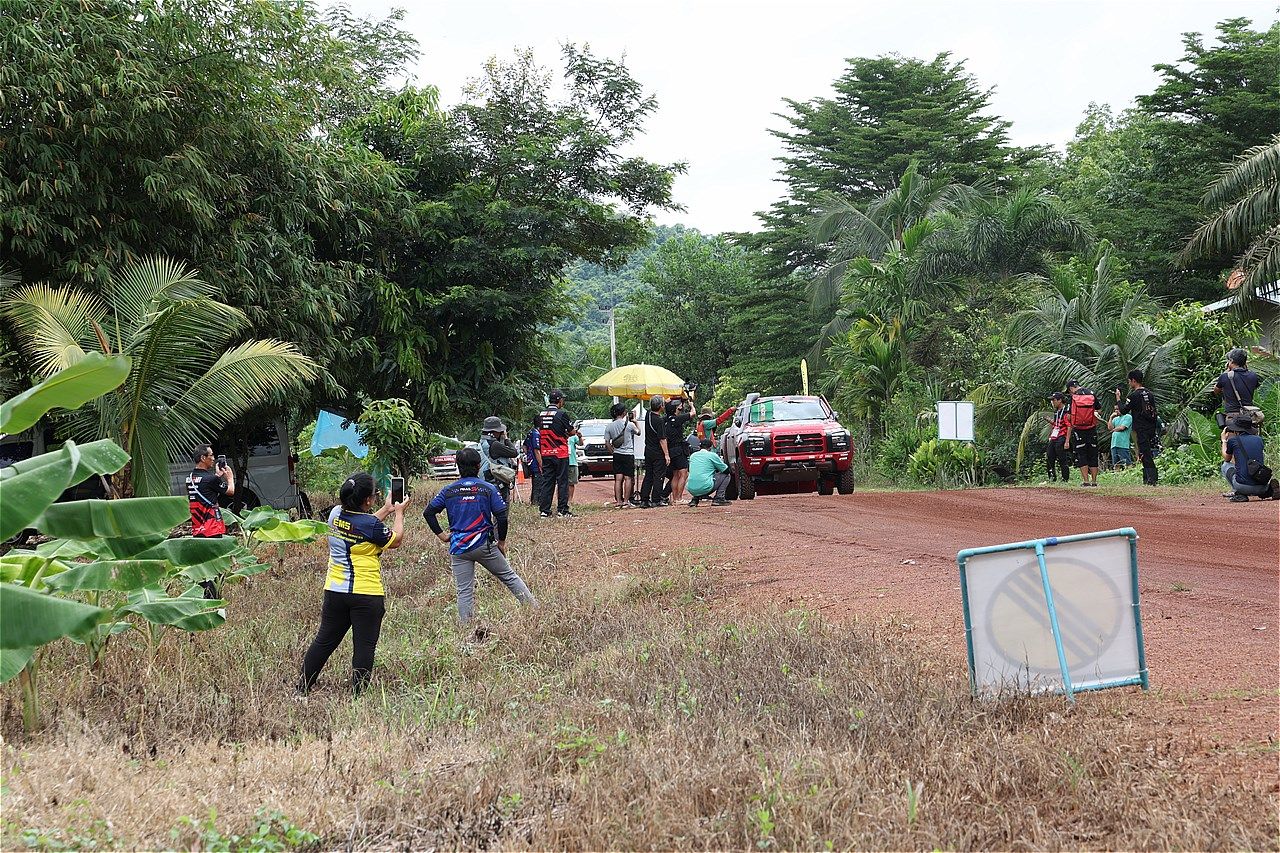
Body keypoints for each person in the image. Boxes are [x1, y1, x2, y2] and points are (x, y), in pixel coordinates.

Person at [298, 472, 408, 695]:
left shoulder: (335, 514)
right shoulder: (370, 525)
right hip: (366, 594)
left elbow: (365, 524)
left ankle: (302, 688)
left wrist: (386, 509)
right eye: (374, 496)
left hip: (335, 591)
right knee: (364, 646)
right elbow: (396, 540)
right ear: (367, 500)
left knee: (324, 641)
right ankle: (358, 695)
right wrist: (398, 512)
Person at [424, 447, 537, 622]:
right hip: (484, 545)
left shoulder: (449, 490)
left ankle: (466, 627)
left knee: (464, 591)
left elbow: (428, 513)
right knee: (509, 577)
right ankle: (534, 610)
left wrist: (442, 535)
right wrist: (502, 542)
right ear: (478, 466)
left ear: (457, 466)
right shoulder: (488, 488)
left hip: (459, 548)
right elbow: (501, 516)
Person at [186, 443, 235, 599]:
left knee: (203, 566)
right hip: (212, 527)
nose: (213, 459)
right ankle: (214, 598)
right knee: (216, 565)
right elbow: (230, 491)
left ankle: (204, 596)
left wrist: (216, 477)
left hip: (197, 527)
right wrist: (229, 478)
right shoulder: (210, 479)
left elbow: (205, 487)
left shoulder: (190, 478)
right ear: (203, 458)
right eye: (211, 456)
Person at [535, 390, 575, 518]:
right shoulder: (561, 414)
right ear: (559, 400)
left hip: (546, 452)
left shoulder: (541, 414)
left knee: (548, 481)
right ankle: (562, 510)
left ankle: (544, 510)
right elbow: (572, 431)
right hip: (560, 452)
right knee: (562, 481)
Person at [1115, 369, 1159, 486]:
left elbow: (1124, 410)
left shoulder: (1134, 395)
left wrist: (1118, 399)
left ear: (1134, 381)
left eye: (1129, 381)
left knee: (1145, 453)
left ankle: (1152, 479)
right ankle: (1147, 478)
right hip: (1151, 427)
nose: (1129, 384)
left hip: (1141, 428)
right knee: (1146, 452)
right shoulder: (1149, 394)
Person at [1220, 416, 1278, 502]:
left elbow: (1227, 458)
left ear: (1236, 430)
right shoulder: (1259, 439)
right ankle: (1268, 490)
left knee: (1225, 465)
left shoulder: (1233, 441)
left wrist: (1224, 441)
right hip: (1262, 485)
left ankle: (1239, 494)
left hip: (1242, 486)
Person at [1062, 382, 1100, 486]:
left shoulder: (1073, 397)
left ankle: (1086, 481)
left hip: (1079, 429)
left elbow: (1069, 416)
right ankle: (1094, 481)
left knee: (1081, 454)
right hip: (1091, 428)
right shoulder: (1091, 394)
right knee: (1093, 454)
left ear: (1071, 388)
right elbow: (1099, 410)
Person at [604, 402, 640, 508]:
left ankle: (618, 501)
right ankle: (626, 501)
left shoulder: (609, 426)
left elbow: (606, 442)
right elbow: (638, 432)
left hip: (617, 454)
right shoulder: (629, 425)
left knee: (618, 478)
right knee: (628, 478)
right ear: (624, 413)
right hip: (628, 454)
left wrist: (612, 452)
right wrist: (635, 421)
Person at [479, 416, 519, 504]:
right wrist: (506, 439)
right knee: (502, 506)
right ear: (493, 431)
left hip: (488, 478)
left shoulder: (483, 442)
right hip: (497, 479)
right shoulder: (495, 445)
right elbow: (514, 452)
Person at [638, 395, 669, 508]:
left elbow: (655, 407)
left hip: (648, 451)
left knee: (648, 475)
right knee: (658, 476)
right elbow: (662, 439)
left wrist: (664, 401)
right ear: (661, 406)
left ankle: (644, 499)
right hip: (657, 452)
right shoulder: (659, 421)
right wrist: (666, 454)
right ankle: (656, 499)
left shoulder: (648, 416)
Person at [663, 398, 694, 503]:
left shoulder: (665, 420)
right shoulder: (677, 419)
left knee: (675, 474)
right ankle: (679, 498)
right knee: (684, 473)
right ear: (676, 408)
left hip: (670, 450)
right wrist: (691, 405)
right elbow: (693, 413)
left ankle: (675, 498)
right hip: (679, 450)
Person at [1214, 348, 1261, 417]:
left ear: (1231, 361)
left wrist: (1227, 370)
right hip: (1248, 416)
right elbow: (1253, 386)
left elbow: (1216, 391)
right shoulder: (1253, 376)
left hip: (1232, 416)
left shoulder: (1225, 376)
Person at [686, 438, 731, 506]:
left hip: (691, 488)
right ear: (710, 447)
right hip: (705, 487)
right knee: (726, 475)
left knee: (700, 476)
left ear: (699, 447)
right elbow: (726, 470)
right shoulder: (712, 455)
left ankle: (695, 499)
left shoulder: (693, 456)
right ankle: (719, 498)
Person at [1044, 393, 1071, 483]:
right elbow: (1058, 424)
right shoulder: (1057, 412)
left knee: (1062, 458)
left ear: (1060, 400)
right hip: (1055, 436)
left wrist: (1067, 441)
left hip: (1062, 436)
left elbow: (1069, 426)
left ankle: (1065, 479)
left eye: (1054, 400)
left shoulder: (1066, 411)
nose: (1052, 402)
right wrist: (1051, 422)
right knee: (1049, 456)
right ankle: (1052, 478)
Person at [522, 423, 541, 505]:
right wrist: (541, 464)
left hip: (531, 461)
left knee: (535, 481)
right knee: (538, 482)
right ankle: (536, 501)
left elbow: (524, 446)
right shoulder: (536, 434)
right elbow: (537, 451)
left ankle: (534, 500)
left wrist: (528, 455)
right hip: (536, 463)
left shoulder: (530, 432)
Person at [1108, 405, 1133, 469]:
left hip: (1123, 444)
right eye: (1115, 409)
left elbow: (1122, 427)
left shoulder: (1128, 417)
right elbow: (1110, 428)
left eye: (1118, 409)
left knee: (1127, 463)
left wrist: (1114, 430)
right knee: (1116, 464)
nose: (1116, 411)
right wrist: (1111, 418)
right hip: (1114, 444)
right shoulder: (1115, 419)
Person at [566, 423, 581, 504]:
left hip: (572, 462)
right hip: (564, 462)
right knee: (562, 483)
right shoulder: (562, 438)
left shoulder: (574, 438)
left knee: (571, 483)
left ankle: (570, 500)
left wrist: (580, 437)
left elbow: (581, 444)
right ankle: (562, 499)